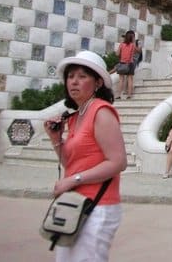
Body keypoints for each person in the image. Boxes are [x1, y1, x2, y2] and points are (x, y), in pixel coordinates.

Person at [44, 51, 127, 261]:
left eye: (82, 76)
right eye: (71, 76)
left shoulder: (101, 112)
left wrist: (73, 180)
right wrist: (56, 139)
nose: (74, 82)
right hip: (75, 204)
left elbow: (118, 162)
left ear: (98, 82)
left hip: (97, 206)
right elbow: (72, 163)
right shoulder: (75, 117)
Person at [115, 30, 140, 99]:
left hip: (122, 63)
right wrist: (134, 42)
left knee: (121, 80)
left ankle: (118, 95)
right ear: (132, 38)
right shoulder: (132, 45)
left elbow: (117, 54)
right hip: (130, 64)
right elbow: (138, 51)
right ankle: (129, 95)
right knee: (130, 79)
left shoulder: (122, 44)